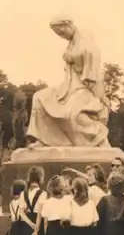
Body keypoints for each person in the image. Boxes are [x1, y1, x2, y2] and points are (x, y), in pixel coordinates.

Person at [27, 16, 110, 147]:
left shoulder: (85, 38)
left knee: (72, 113)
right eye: (58, 34)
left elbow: (92, 62)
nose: (62, 36)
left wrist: (100, 97)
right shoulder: (72, 42)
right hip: (68, 86)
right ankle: (44, 140)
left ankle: (98, 138)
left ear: (69, 25)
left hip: (85, 86)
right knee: (39, 97)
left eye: (62, 32)